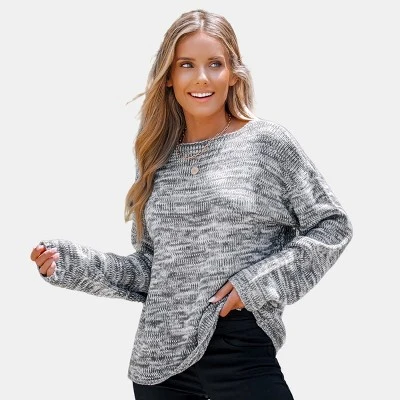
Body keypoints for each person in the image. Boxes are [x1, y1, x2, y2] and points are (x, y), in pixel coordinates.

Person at [30, 9, 353, 400]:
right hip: (159, 366)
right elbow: (153, 270)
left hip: (240, 345)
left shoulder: (267, 144)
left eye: (214, 64)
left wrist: (256, 284)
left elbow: (332, 226)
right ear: (169, 77)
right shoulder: (157, 158)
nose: (201, 77)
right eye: (187, 65)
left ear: (233, 74)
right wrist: (72, 264)